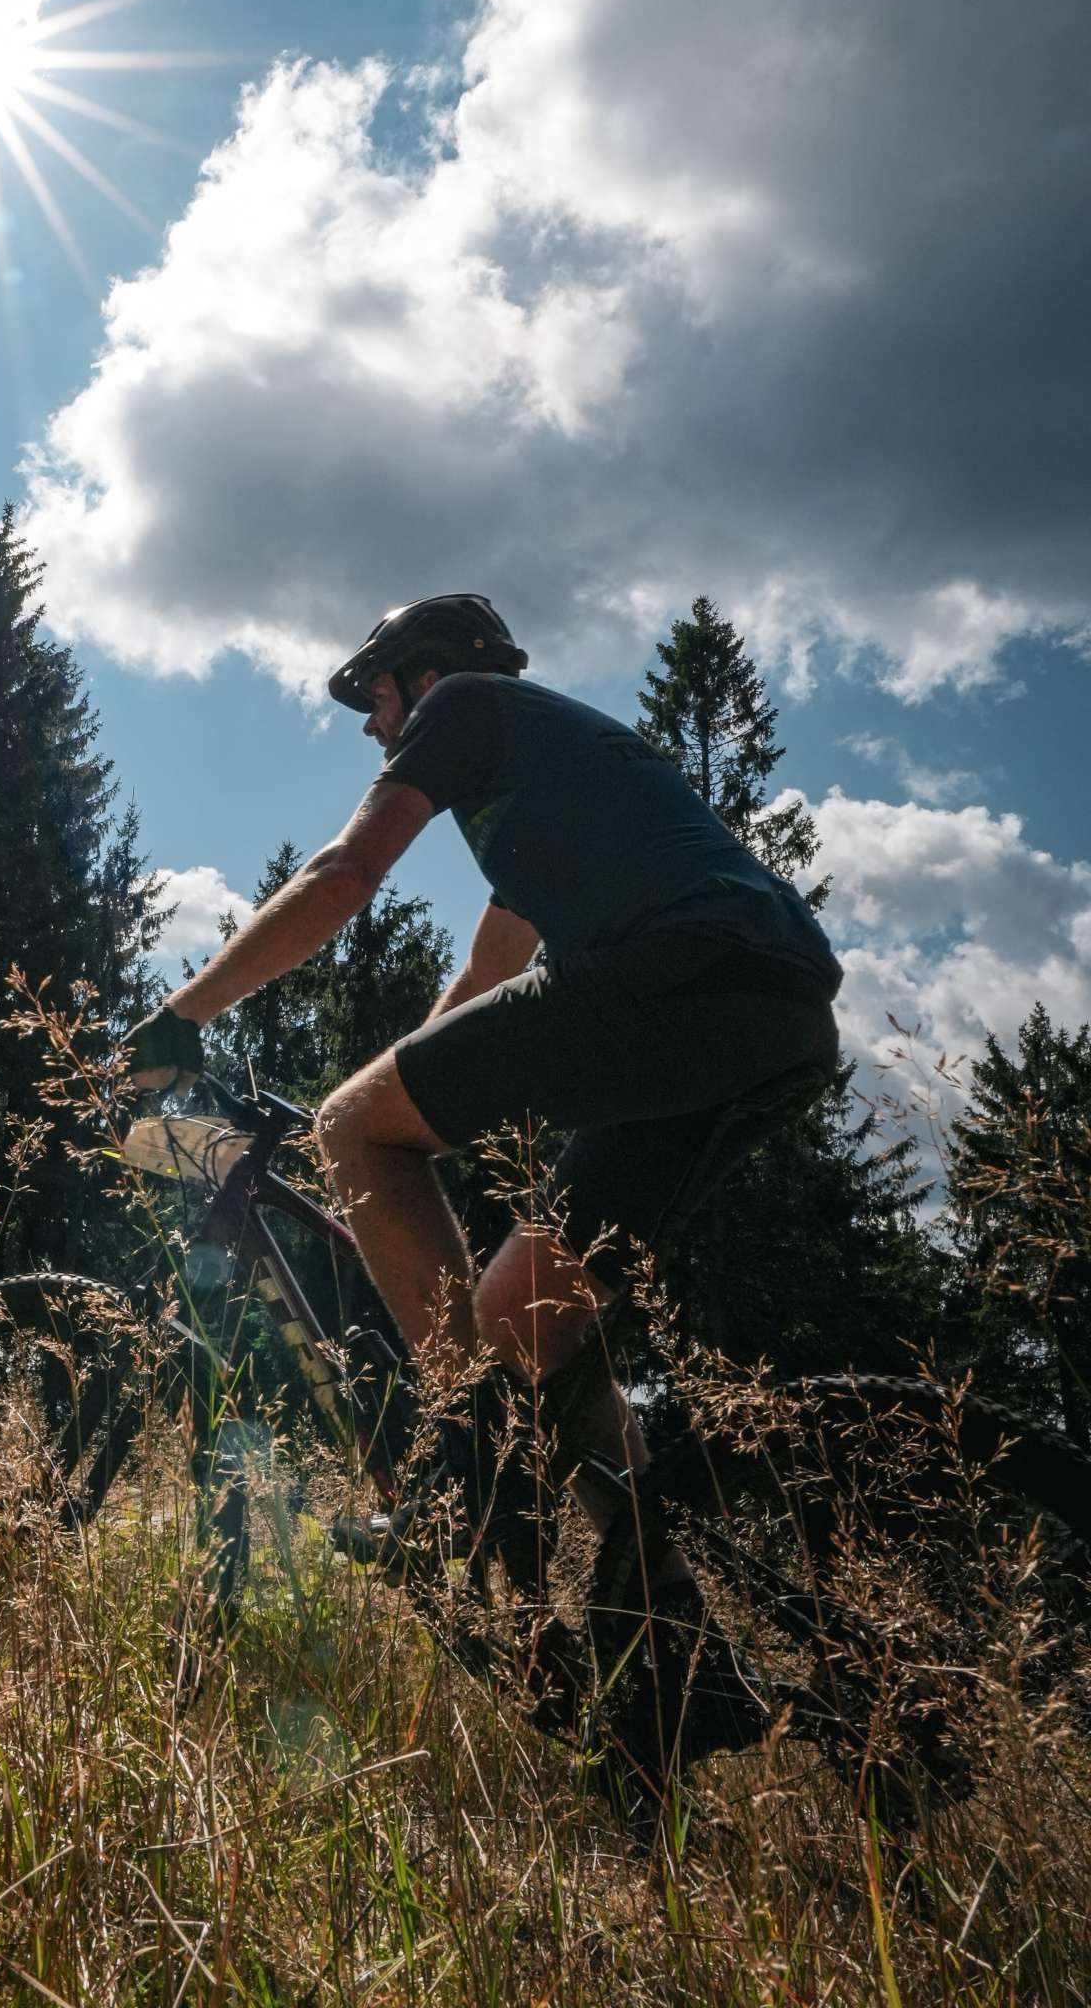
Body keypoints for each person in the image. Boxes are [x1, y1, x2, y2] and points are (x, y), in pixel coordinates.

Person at [124, 594, 841, 1736]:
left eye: (374, 696)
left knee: (360, 1133)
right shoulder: (557, 779)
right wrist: (379, 1106)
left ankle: (459, 1476)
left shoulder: (463, 706)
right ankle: (681, 1647)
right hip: (774, 1013)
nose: (373, 726)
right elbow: (481, 984)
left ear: (424, 671)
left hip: (679, 975)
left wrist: (184, 1016)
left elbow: (344, 871)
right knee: (529, 1329)